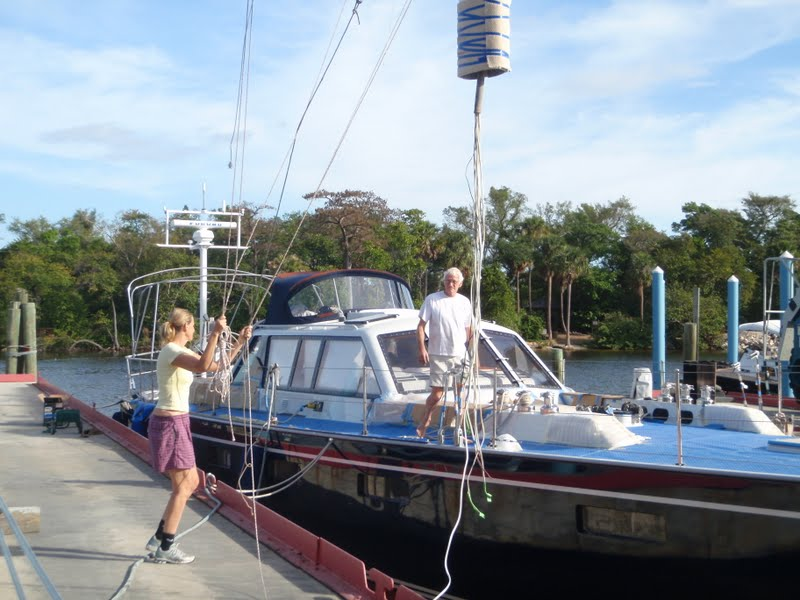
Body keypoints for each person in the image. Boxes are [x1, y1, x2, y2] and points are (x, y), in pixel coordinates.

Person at [145, 308, 252, 564]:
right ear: (185, 327)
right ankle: (166, 546)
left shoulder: (181, 352)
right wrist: (215, 333)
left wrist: (238, 343)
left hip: (177, 421)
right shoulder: (171, 351)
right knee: (185, 485)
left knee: (189, 482)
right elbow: (203, 365)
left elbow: (215, 366)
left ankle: (159, 538)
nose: (194, 330)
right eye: (193, 326)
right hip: (170, 422)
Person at [416, 268, 472, 438]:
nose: (451, 284)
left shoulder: (465, 302)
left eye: (454, 281)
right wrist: (422, 348)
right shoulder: (432, 299)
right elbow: (421, 326)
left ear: (460, 284)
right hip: (438, 353)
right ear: (444, 282)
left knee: (460, 392)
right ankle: (425, 421)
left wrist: (473, 353)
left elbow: (469, 330)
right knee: (437, 394)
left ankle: (458, 429)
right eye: (448, 280)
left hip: (460, 354)